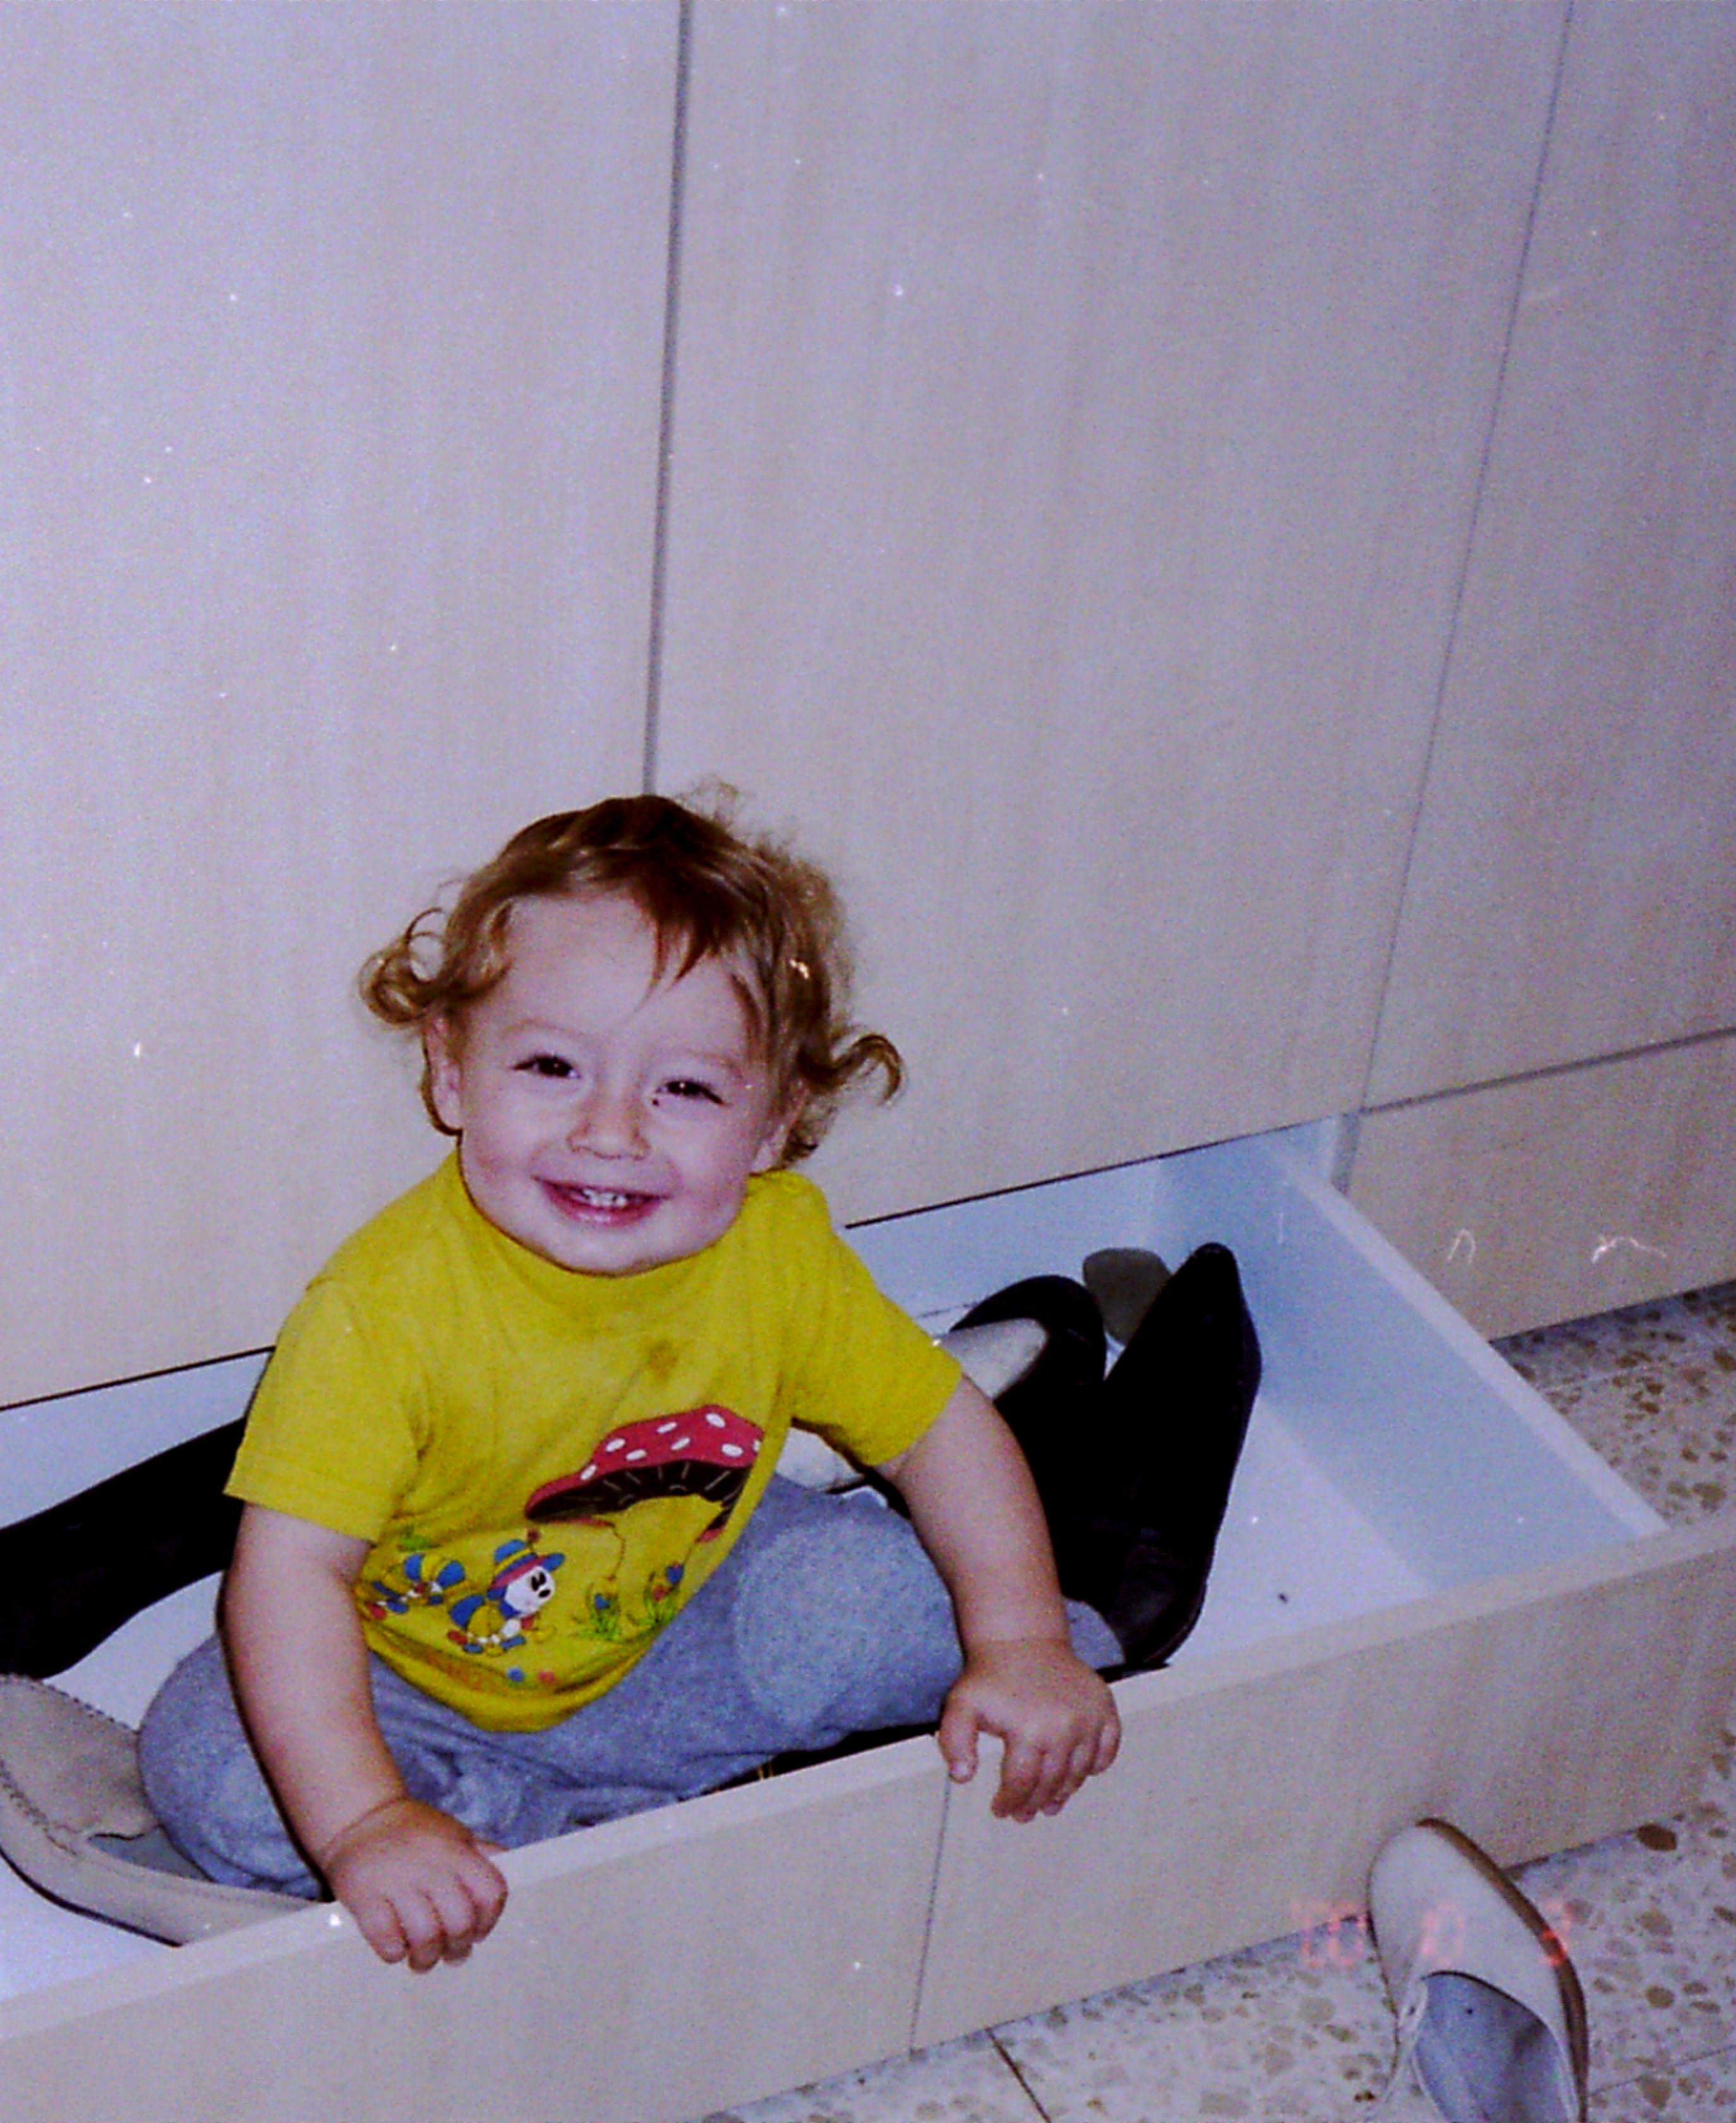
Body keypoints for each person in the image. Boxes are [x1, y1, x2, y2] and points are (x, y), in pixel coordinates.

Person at [136, 792, 1126, 1971]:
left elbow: (936, 1431)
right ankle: (559, 1821)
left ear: (774, 1122)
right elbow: (290, 1573)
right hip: (411, 1678)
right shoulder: (381, 1313)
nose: (612, 1131)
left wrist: (1020, 1639)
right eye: (553, 1065)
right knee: (207, 1769)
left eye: (687, 1089)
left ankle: (1094, 1626)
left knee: (870, 1607)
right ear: (452, 1074)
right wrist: (364, 1820)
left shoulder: (775, 1251)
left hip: (677, 1622)